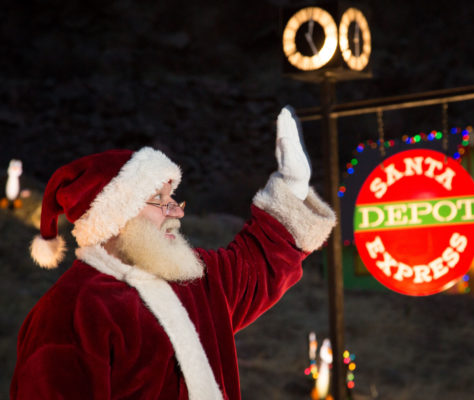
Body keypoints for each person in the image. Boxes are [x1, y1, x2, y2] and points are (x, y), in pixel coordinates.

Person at [10, 106, 336, 400]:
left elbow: (257, 265)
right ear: (115, 217)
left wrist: (291, 189)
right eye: (158, 199)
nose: (176, 212)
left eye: (174, 198)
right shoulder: (70, 312)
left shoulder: (190, 278)